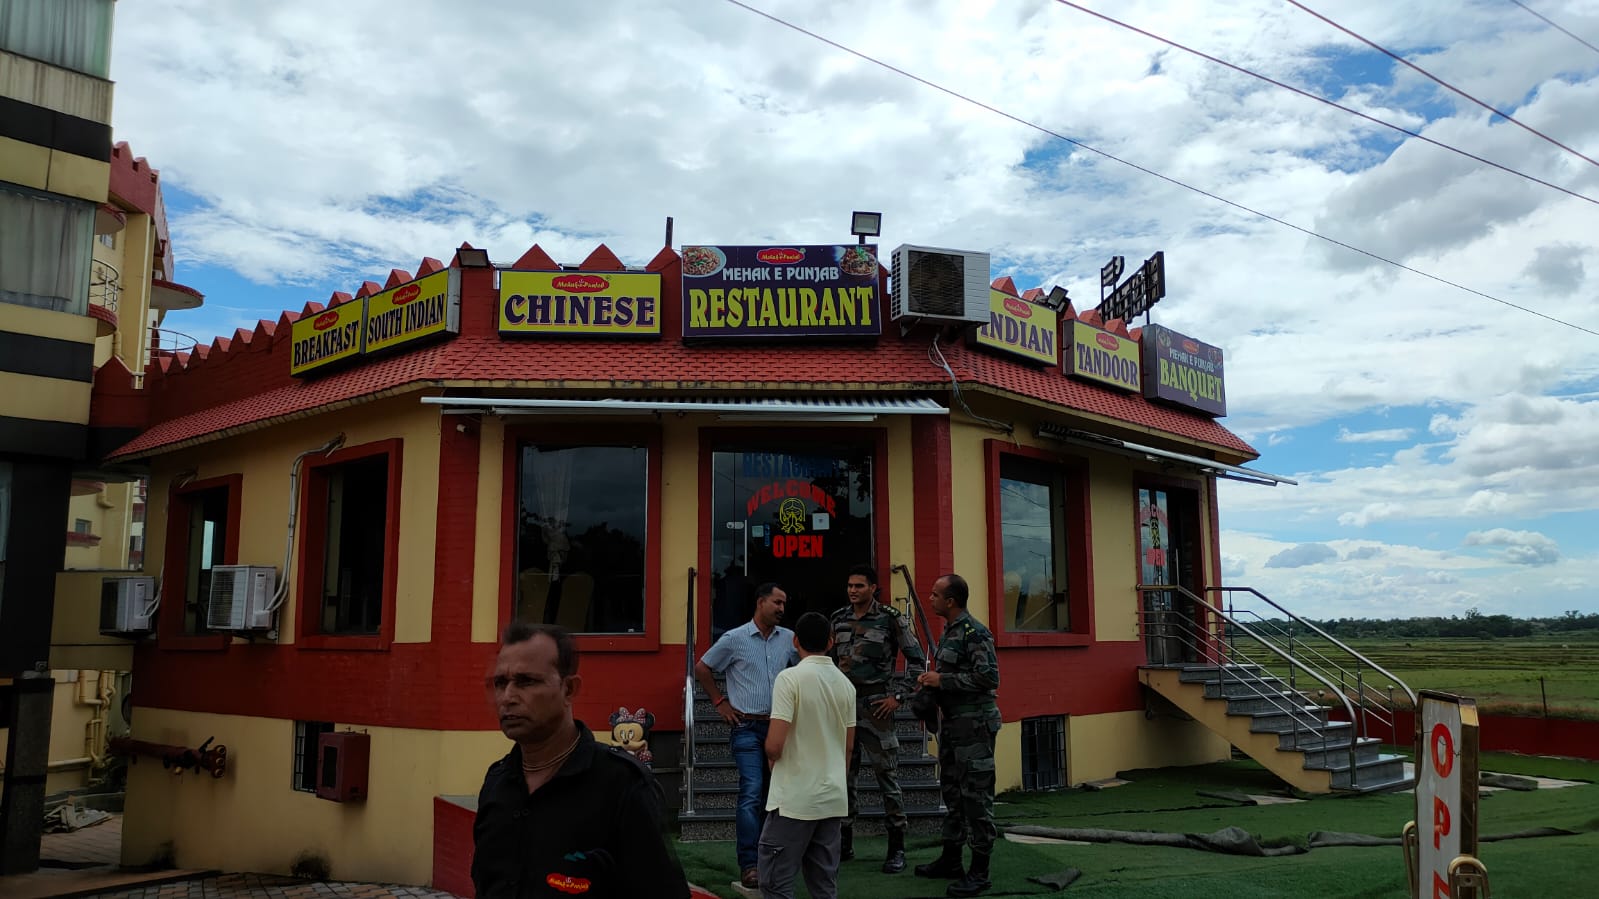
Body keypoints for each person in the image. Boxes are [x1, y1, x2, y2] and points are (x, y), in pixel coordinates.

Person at [472, 621, 690, 899]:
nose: (508, 697)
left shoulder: (622, 785)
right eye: (500, 683)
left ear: (569, 689)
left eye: (526, 681)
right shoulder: (497, 784)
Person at [695, 583, 798, 890]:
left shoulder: (789, 639)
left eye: (784, 604)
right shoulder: (734, 638)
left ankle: (772, 861)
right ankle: (750, 865)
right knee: (751, 791)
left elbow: (803, 668)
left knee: (774, 796)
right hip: (747, 728)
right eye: (777, 602)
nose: (781, 608)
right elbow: (702, 668)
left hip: (779, 726)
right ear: (760, 602)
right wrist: (719, 702)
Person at [827, 563, 926, 872]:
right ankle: (844, 843)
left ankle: (896, 847)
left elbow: (918, 661)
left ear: (873, 588)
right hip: (843, 707)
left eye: (859, 586)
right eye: (849, 586)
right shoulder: (838, 619)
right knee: (843, 776)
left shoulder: (890, 619)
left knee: (887, 778)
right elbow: (827, 661)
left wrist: (898, 697)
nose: (853, 590)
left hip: (876, 708)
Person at [914, 573, 1001, 898]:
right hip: (952, 727)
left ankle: (980, 872)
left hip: (975, 728)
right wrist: (931, 683)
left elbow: (989, 678)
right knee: (952, 793)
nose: (930, 599)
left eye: (935, 594)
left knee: (976, 798)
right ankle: (951, 859)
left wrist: (943, 681)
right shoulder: (950, 631)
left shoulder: (974, 632)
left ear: (950, 601)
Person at [758, 611, 856, 899]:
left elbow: (774, 745)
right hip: (832, 796)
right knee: (824, 886)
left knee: (775, 882)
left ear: (795, 641)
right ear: (831, 642)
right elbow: (849, 747)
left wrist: (772, 758)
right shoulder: (846, 685)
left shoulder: (789, 679)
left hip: (794, 798)